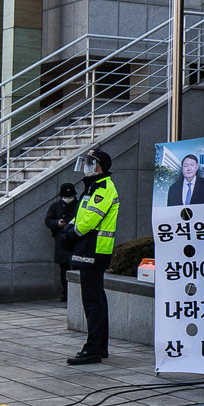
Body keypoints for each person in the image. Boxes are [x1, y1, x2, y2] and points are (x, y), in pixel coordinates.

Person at [66, 146, 119, 366]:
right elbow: (80, 214)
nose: (87, 167)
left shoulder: (104, 187)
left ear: (100, 167)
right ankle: (100, 346)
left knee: (92, 301)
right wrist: (70, 227)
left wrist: (71, 233)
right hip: (90, 247)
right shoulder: (92, 186)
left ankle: (93, 349)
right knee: (96, 299)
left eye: (91, 163)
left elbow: (89, 220)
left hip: (94, 248)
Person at [44, 181, 79, 299]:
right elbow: (48, 221)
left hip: (75, 239)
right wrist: (57, 224)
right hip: (61, 241)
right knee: (63, 268)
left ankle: (77, 294)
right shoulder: (55, 206)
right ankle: (66, 293)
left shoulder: (79, 205)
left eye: (70, 197)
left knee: (77, 267)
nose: (68, 199)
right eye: (65, 197)